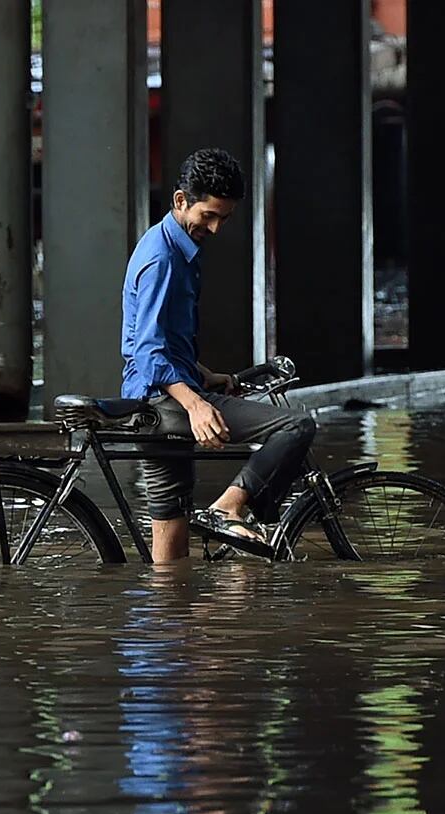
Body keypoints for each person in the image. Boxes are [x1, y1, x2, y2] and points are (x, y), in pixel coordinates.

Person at [122, 148, 315, 562]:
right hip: (164, 401)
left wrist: (202, 373)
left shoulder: (174, 246)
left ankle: (171, 622)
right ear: (180, 201)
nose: (215, 227)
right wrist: (195, 405)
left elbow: (162, 340)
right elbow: (149, 350)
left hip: (154, 398)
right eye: (208, 215)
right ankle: (230, 506)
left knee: (171, 548)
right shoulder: (162, 259)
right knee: (297, 424)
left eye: (223, 218)